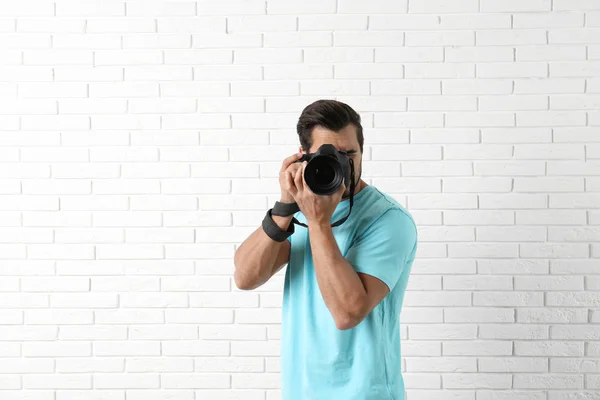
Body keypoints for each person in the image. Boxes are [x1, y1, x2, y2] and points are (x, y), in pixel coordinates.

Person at [233, 99, 418, 400]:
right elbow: (245, 276)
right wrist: (285, 206)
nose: (343, 165)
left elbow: (347, 313)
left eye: (350, 155)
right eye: (330, 156)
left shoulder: (389, 221)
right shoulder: (302, 212)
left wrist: (320, 222)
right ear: (303, 157)